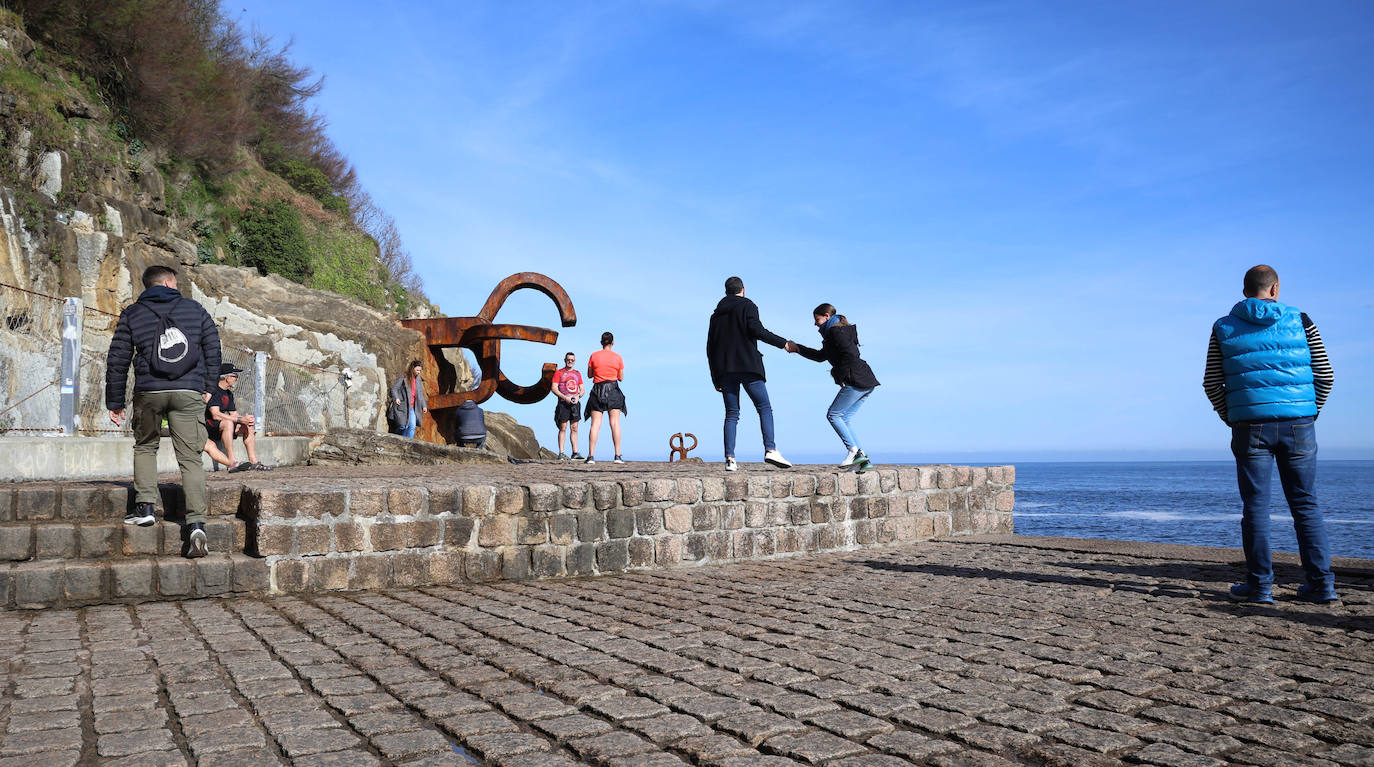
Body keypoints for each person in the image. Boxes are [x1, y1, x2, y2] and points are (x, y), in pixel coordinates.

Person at [1204, 265, 1338, 604]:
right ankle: (1322, 586)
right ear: (1275, 289)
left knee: (1256, 508)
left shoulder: (1223, 326)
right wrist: (1310, 413)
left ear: (1246, 289)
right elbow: (1325, 374)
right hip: (1299, 424)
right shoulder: (1302, 320)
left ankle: (1260, 586)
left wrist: (1233, 417)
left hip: (1249, 427)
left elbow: (1211, 382)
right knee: (1306, 504)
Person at [105, 264, 221, 558]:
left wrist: (115, 401)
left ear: (149, 286)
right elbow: (213, 347)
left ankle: (144, 507)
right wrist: (208, 386)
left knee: (145, 446)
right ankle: (196, 524)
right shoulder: (194, 309)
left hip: (149, 391)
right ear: (170, 282)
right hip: (188, 391)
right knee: (191, 459)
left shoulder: (132, 313)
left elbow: (118, 358)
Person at [706, 276, 793, 472]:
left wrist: (715, 376)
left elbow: (710, 347)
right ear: (743, 289)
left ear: (726, 291)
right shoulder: (747, 305)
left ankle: (730, 458)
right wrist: (783, 343)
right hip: (748, 366)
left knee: (731, 414)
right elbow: (757, 330)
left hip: (725, 370)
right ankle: (770, 449)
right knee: (764, 407)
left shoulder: (716, 315)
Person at [787, 304, 880, 472]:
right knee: (844, 418)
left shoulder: (837, 332)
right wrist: (798, 349)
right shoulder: (835, 332)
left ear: (827, 317)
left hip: (856, 380)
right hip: (865, 380)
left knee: (834, 414)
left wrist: (843, 374)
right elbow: (821, 356)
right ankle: (862, 459)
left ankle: (853, 451)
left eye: (817, 319)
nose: (815, 324)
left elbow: (851, 354)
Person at [206, 362, 269, 472]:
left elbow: (233, 414)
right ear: (227, 377)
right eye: (235, 376)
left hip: (222, 425)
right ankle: (231, 461)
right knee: (228, 423)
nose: (237, 379)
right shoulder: (213, 391)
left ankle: (253, 461)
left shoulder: (228, 394)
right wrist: (239, 419)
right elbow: (215, 415)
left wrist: (246, 419)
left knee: (247, 425)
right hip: (209, 426)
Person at [583, 332, 626, 464]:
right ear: (612, 343)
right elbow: (621, 377)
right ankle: (617, 455)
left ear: (601, 342)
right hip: (613, 390)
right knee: (614, 423)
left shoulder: (594, 355)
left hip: (598, 390)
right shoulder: (618, 357)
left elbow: (589, 375)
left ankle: (591, 456)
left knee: (595, 424)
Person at [552, 351, 584, 459]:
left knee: (574, 428)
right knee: (563, 427)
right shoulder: (559, 372)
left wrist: (578, 396)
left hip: (575, 403)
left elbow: (583, 389)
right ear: (565, 360)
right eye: (568, 360)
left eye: (572, 360)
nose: (570, 362)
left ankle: (575, 452)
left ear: (574, 361)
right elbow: (554, 388)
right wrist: (565, 397)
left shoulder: (577, 373)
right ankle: (561, 453)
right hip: (563, 403)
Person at [388, 359, 427, 438]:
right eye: (417, 370)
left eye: (420, 370)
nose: (419, 372)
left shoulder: (418, 379)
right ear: (412, 368)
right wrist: (396, 398)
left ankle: (408, 444)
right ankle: (396, 438)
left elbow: (420, 394)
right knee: (403, 426)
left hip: (413, 408)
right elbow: (394, 389)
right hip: (403, 406)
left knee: (412, 427)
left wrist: (424, 406)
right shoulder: (404, 377)